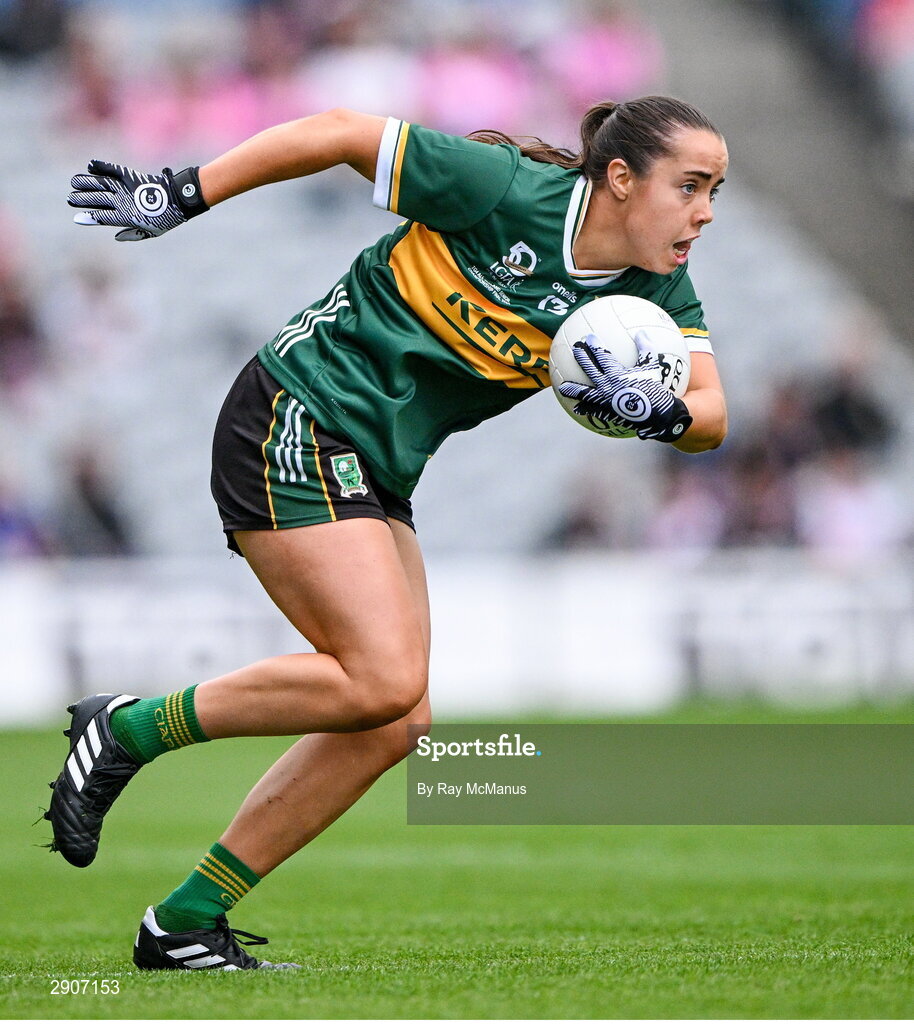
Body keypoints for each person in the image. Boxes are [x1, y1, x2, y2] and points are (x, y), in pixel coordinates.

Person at [47, 96, 729, 970]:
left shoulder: (657, 288)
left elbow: (711, 415)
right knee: (381, 678)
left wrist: (659, 411)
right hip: (298, 411)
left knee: (396, 720)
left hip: (375, 467)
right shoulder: (506, 190)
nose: (705, 213)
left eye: (716, 191)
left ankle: (184, 920)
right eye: (692, 186)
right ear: (623, 179)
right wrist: (185, 190)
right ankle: (131, 729)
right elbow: (337, 133)